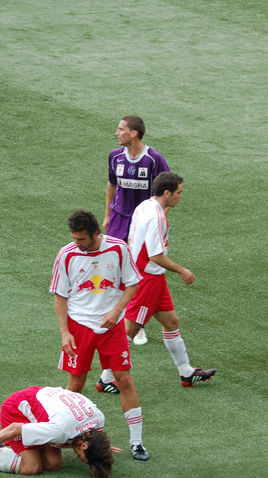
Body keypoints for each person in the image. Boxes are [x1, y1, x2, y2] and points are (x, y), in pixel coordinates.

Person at [50, 210, 150, 461]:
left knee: (124, 380)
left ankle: (137, 442)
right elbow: (60, 296)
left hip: (111, 327)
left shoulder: (118, 249)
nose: (77, 243)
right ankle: (67, 437)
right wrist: (64, 333)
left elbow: (132, 282)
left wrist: (117, 311)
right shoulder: (66, 255)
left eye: (81, 239)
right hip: (78, 327)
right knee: (75, 386)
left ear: (96, 233)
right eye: (74, 238)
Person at [124, 172, 216, 387]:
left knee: (171, 321)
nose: (180, 197)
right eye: (178, 193)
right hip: (147, 277)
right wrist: (182, 270)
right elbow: (156, 255)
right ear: (167, 193)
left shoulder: (146, 206)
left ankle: (186, 371)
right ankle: (107, 377)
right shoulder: (155, 217)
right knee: (131, 329)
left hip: (150, 275)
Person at [103, 115, 170, 349]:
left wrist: (158, 221)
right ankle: (114, 312)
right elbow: (112, 184)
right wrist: (108, 215)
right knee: (115, 266)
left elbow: (168, 192)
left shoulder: (153, 159)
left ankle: (138, 325)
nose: (116, 133)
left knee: (137, 271)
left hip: (142, 222)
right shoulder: (115, 156)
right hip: (119, 219)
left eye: (121, 129)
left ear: (134, 133)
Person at [0, 386, 117, 478]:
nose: (78, 458)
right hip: (16, 410)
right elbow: (14, 428)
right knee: (32, 467)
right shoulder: (60, 429)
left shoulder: (98, 421)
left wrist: (103, 447)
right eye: (81, 456)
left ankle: (5, 450)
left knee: (54, 464)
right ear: (85, 444)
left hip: (44, 405)